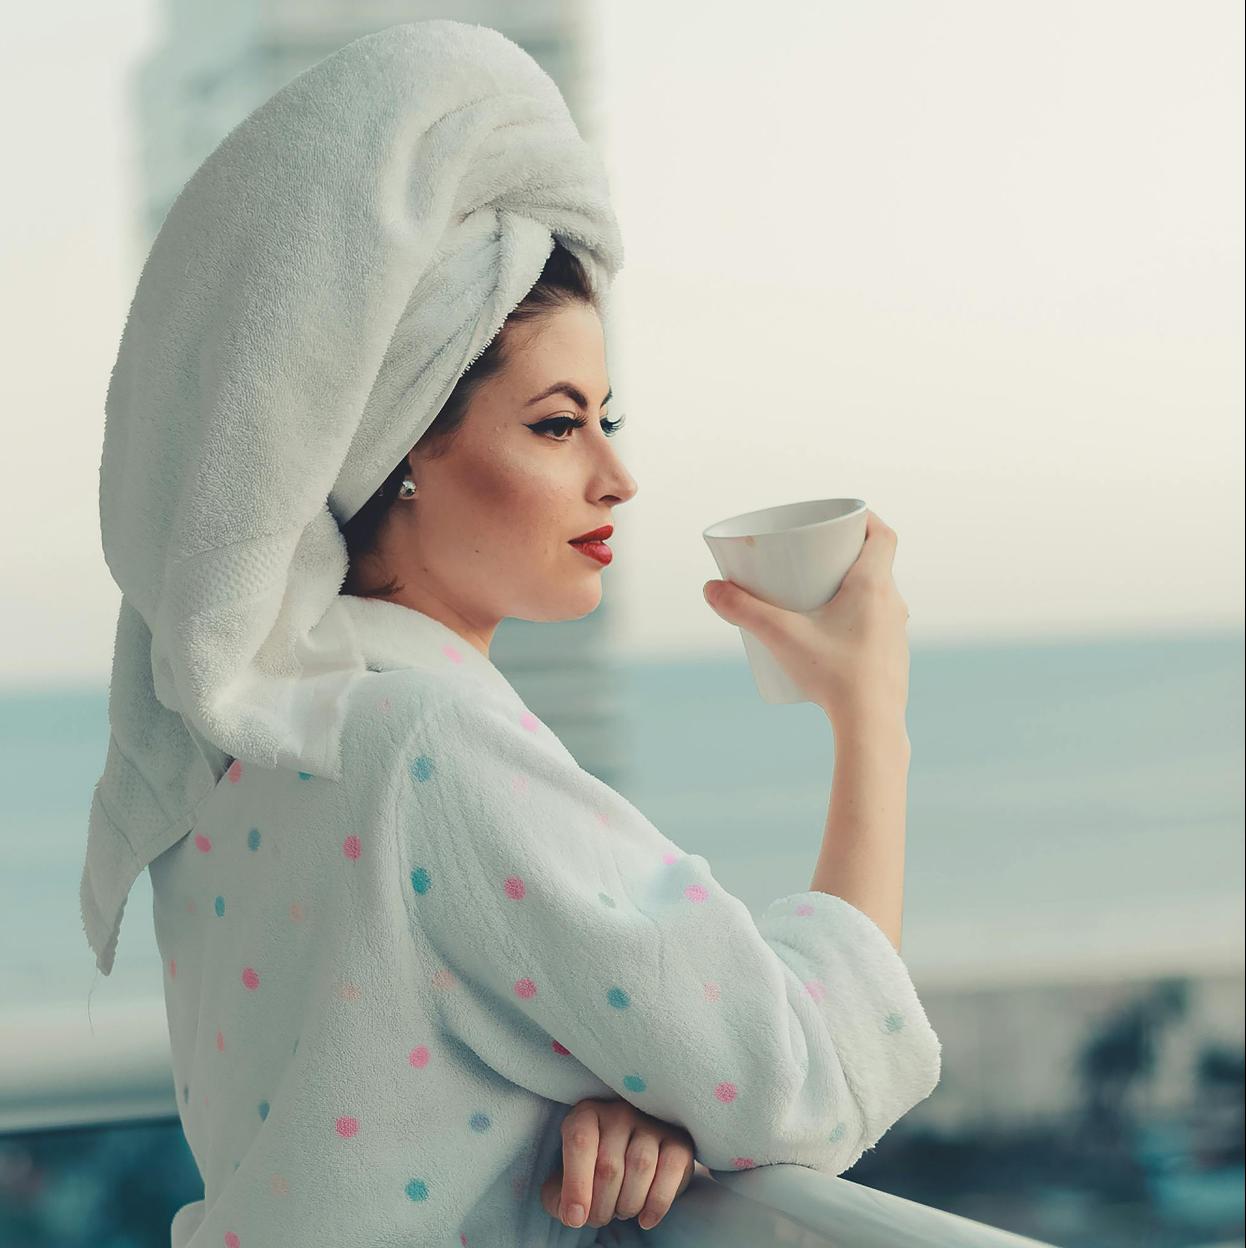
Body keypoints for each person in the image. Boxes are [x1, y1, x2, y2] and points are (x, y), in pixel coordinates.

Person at [84, 20, 938, 1248]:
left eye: (608, 416)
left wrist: (625, 1094)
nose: (617, 478)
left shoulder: (234, 747)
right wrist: (872, 718)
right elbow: (802, 1072)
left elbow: (407, 1064)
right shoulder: (423, 743)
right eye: (555, 425)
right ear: (400, 451)